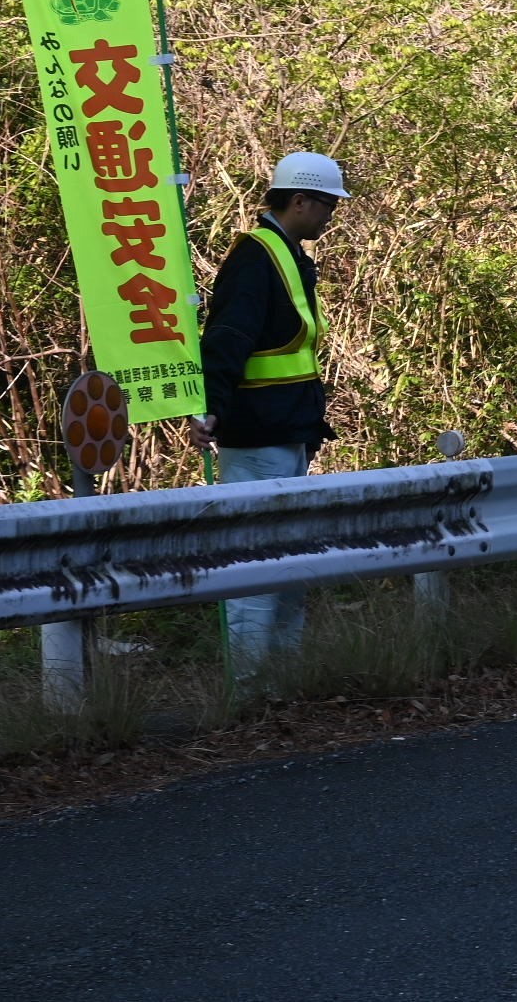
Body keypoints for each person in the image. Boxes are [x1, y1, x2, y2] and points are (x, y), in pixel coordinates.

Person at [194, 149, 347, 683]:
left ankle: (283, 683)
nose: (331, 215)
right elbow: (227, 339)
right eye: (327, 204)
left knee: (287, 567)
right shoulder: (255, 257)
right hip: (257, 439)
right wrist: (209, 408)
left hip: (286, 433)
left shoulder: (287, 253)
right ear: (299, 200)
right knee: (259, 566)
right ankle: (250, 687)